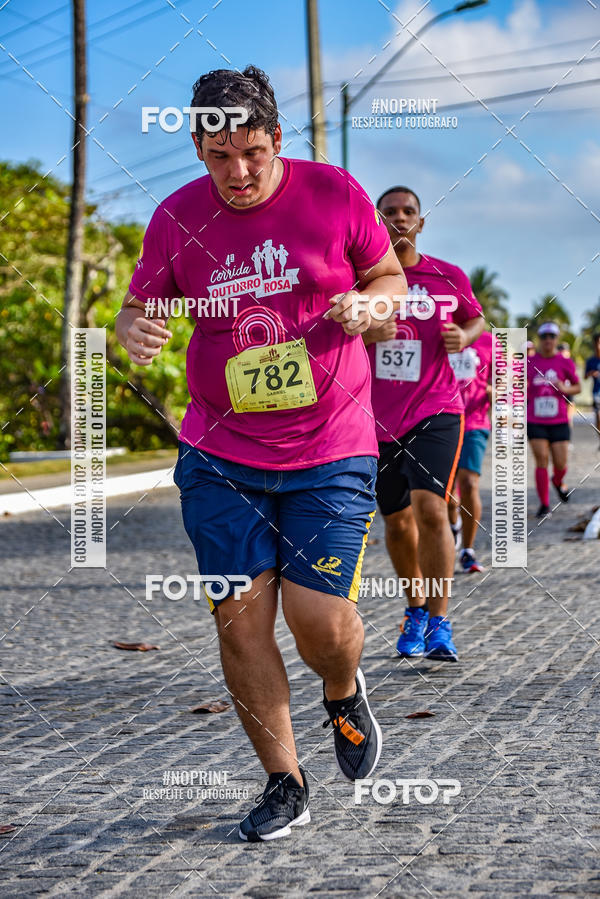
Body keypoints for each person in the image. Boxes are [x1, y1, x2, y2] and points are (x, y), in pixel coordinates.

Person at [116, 66, 406, 842]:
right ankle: (284, 780)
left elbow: (388, 273)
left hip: (332, 444)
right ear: (198, 149)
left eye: (252, 152)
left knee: (320, 624)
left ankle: (342, 692)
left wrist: (372, 304)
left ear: (277, 139)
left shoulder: (335, 193)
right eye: (219, 157)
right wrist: (134, 327)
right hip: (218, 452)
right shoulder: (177, 218)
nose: (237, 173)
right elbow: (143, 301)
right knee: (240, 623)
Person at [363, 186, 484, 662]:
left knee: (432, 510)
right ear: (376, 220)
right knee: (396, 521)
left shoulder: (446, 275)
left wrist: (462, 334)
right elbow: (334, 334)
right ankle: (414, 609)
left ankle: (439, 621)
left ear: (421, 220)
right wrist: (370, 329)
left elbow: (476, 321)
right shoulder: (364, 281)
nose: (398, 218)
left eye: (407, 211)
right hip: (377, 418)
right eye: (388, 212)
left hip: (436, 408)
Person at [447, 330, 494, 573]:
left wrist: (493, 392)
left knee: (469, 483)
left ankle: (468, 549)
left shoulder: (488, 340)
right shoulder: (438, 332)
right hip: (440, 421)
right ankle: (453, 526)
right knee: (446, 490)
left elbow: (505, 381)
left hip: (474, 422)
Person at [527, 322, 580, 517]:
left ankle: (557, 481)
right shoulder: (530, 362)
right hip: (535, 419)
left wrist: (566, 389)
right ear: (540, 339)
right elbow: (516, 384)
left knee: (560, 463)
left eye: (551, 336)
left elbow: (577, 387)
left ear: (556, 339)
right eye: (544, 336)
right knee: (541, 460)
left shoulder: (564, 362)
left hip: (558, 420)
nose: (548, 340)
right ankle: (544, 504)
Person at [585, 332, 600, 450]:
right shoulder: (591, 361)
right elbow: (584, 376)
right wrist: (591, 373)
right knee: (598, 417)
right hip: (596, 393)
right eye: (597, 343)